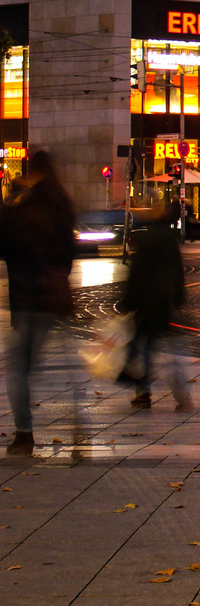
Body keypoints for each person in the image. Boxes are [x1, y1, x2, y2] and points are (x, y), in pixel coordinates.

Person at [2, 150, 81, 457]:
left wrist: (12, 199)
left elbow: (6, 242)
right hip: (57, 296)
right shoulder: (62, 205)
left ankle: (24, 435)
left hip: (27, 298)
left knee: (19, 368)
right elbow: (69, 252)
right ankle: (80, 423)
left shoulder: (25, 208)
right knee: (69, 364)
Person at [119, 200, 191, 411]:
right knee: (169, 351)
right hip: (163, 302)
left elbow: (136, 273)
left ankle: (143, 393)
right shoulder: (170, 237)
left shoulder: (147, 236)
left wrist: (128, 301)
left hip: (144, 303)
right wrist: (178, 298)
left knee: (143, 350)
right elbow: (177, 271)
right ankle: (182, 395)